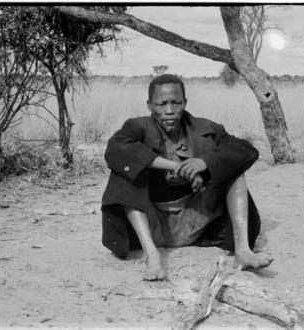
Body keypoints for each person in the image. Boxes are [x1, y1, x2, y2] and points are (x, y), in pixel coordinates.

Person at [101, 74, 272, 280]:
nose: (170, 110)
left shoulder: (207, 129)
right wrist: (177, 166)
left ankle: (242, 250)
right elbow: (116, 150)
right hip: (152, 223)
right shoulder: (136, 127)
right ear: (149, 105)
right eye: (161, 104)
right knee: (126, 171)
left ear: (185, 103)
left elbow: (245, 151)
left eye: (176, 103)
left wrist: (205, 163)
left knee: (233, 169)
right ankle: (152, 255)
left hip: (197, 221)